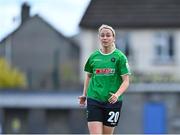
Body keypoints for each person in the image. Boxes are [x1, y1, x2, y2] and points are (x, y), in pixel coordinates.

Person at [78, 24, 131, 134]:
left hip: (112, 101)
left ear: (113, 38)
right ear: (99, 38)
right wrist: (84, 94)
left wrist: (116, 95)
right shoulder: (93, 57)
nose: (105, 38)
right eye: (102, 35)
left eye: (108, 35)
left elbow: (126, 81)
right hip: (94, 99)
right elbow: (88, 76)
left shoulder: (120, 57)